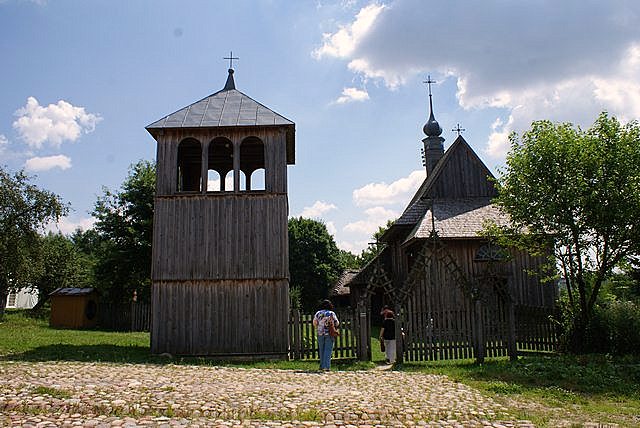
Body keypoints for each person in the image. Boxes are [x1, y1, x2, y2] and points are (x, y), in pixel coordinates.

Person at [313, 299, 339, 371]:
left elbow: (314, 323)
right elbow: (337, 323)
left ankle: (321, 366)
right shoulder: (331, 313)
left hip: (320, 333)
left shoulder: (318, 313)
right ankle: (326, 366)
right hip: (329, 333)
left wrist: (319, 327)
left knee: (321, 350)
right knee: (328, 350)